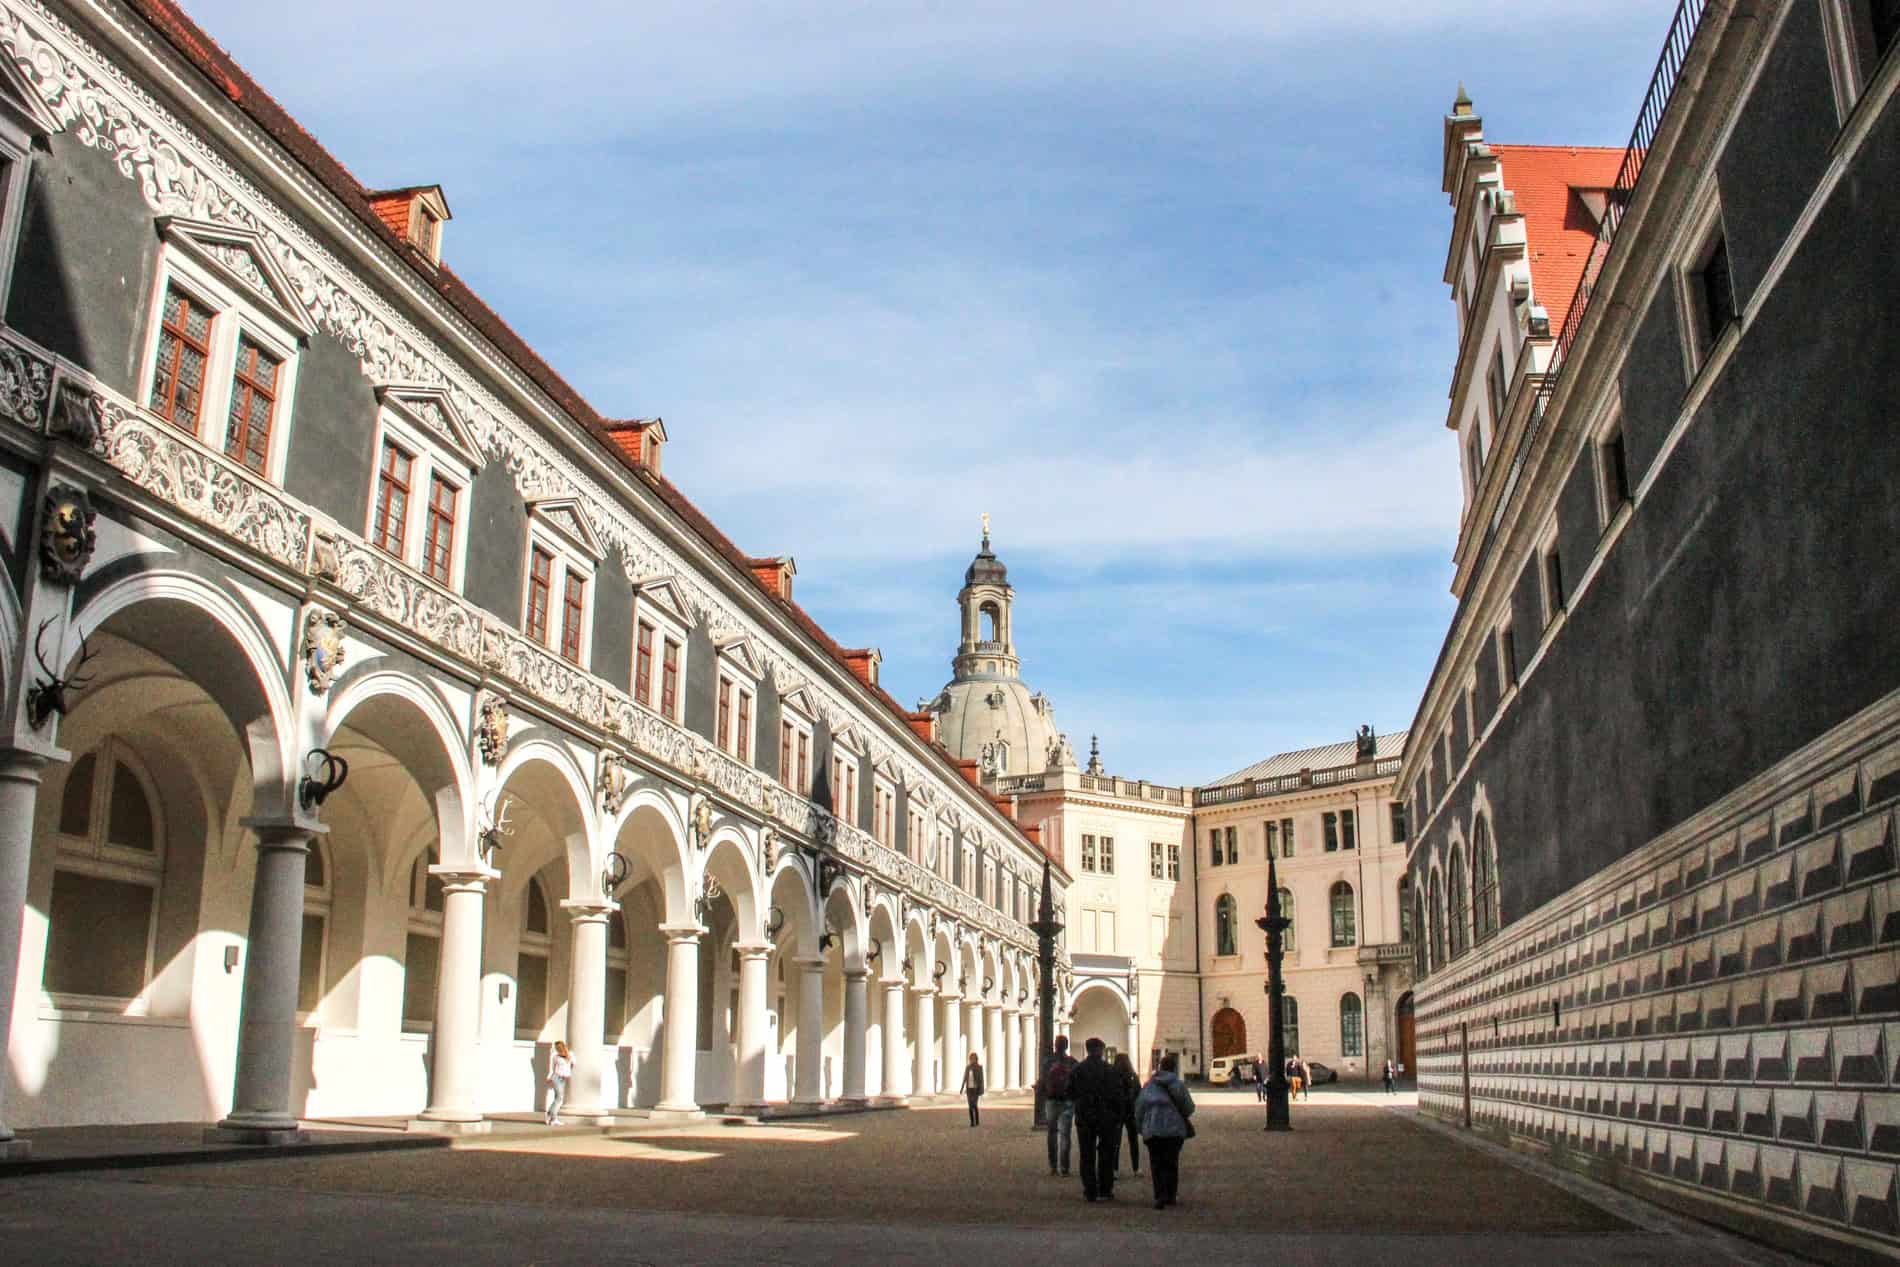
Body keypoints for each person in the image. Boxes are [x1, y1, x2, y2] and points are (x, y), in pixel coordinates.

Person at [1069, 1037, 1128, 1202]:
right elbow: (1119, 1095)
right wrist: (1118, 1115)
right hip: (1106, 1117)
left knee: (1086, 1154)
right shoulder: (1110, 1070)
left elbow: (1070, 1092)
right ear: (1101, 1050)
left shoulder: (1078, 1070)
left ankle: (1090, 1190)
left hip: (1085, 1116)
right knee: (1106, 1154)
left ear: (1088, 1050)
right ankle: (1105, 1189)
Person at [1136, 1053, 1195, 1209]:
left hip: (1153, 1128)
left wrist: (1140, 1126)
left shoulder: (1149, 1085)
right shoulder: (1178, 1084)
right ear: (1174, 1068)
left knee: (1156, 1163)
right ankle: (1170, 1195)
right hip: (1174, 1130)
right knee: (1171, 1163)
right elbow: (1189, 1107)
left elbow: (1139, 1108)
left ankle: (1159, 1195)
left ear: (1160, 1067)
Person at [1041, 1035, 1078, 1176]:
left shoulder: (1048, 1061)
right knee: (1065, 1135)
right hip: (1067, 1101)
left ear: (1055, 1046)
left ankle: (1053, 1166)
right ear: (1066, 1046)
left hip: (1051, 1101)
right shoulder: (1072, 1062)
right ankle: (1064, 1168)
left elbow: (1043, 1080)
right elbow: (1077, 1082)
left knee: (1051, 1133)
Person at [1111, 1052, 1142, 1174]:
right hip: (1131, 1111)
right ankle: (1136, 1168)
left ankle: (1115, 1169)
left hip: (1117, 1112)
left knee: (1116, 1142)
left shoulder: (1112, 1076)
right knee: (1133, 1141)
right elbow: (1139, 1093)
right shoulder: (1133, 1076)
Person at [545, 1040, 573, 1126]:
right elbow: (552, 1068)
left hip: (563, 1078)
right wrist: (549, 1077)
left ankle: (553, 1118)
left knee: (558, 1097)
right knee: (559, 1098)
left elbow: (572, 1065)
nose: (558, 1048)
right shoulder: (555, 1056)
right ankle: (551, 1115)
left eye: (559, 1046)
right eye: (557, 1047)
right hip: (557, 1077)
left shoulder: (570, 1055)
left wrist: (568, 1073)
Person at [959, 1051, 985, 1126]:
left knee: (975, 1105)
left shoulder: (979, 1067)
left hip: (975, 1089)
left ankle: (977, 1121)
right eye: (971, 1058)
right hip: (969, 1089)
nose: (972, 1060)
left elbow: (981, 1079)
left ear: (976, 1059)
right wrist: (962, 1088)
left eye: (973, 1058)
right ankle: (972, 1122)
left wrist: (981, 1089)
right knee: (970, 1105)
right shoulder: (968, 1067)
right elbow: (965, 1078)